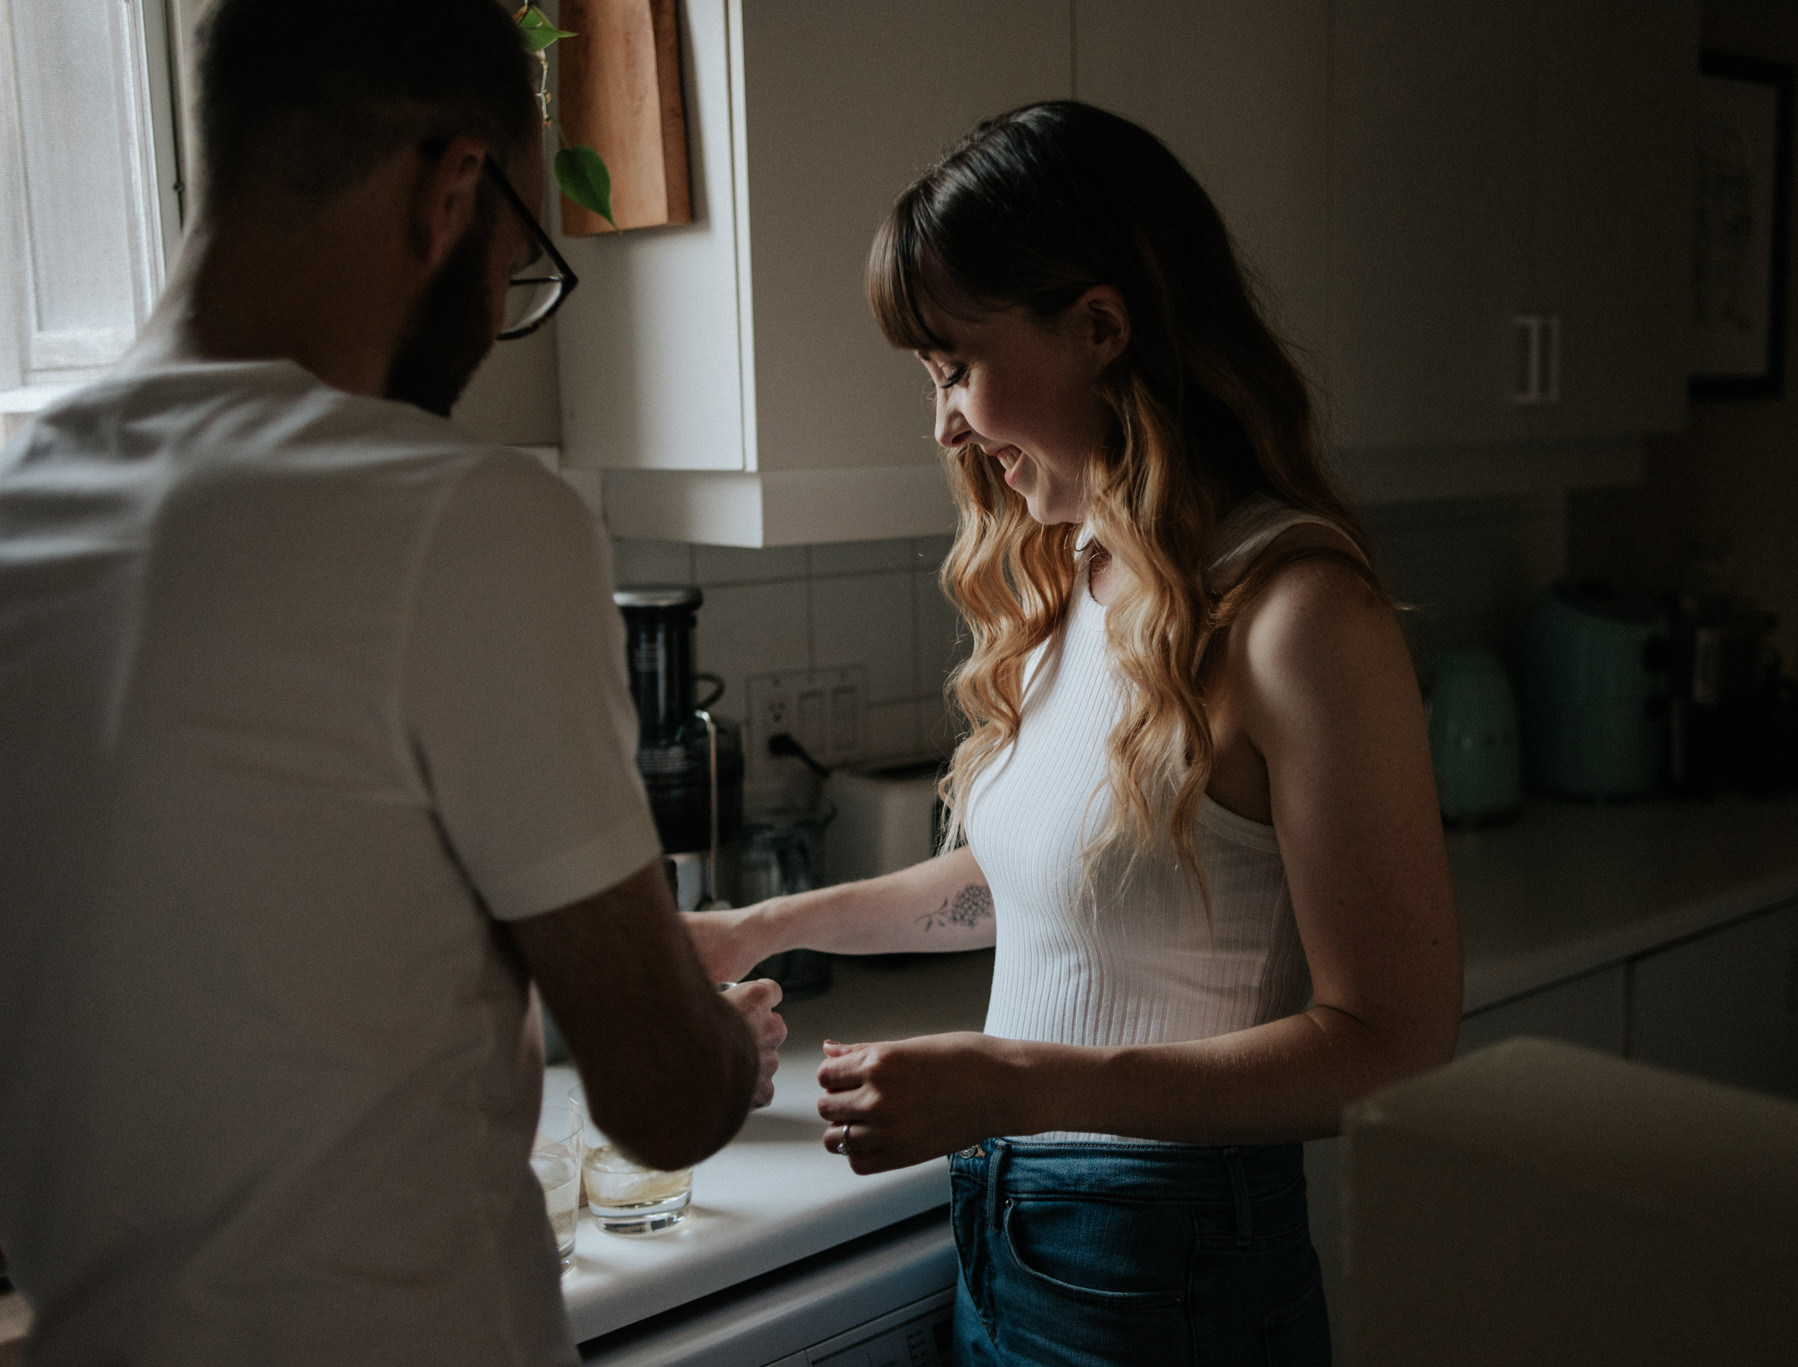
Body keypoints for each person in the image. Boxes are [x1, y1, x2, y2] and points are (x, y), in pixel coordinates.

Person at [0, 3, 782, 1364]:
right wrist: (727, 1042)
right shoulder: (464, 518)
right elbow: (658, 1097)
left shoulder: (21, 519)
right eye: (520, 260)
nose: (497, 312)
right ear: (450, 191)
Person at [684, 102, 1463, 1364]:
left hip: (1168, 1264)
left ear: (1099, 328)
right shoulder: (1078, 572)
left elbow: (1393, 1043)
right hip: (1017, 1224)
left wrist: (1013, 1079)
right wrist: (758, 925)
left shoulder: (1295, 613)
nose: (942, 422)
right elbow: (1033, 885)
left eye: (953, 366)